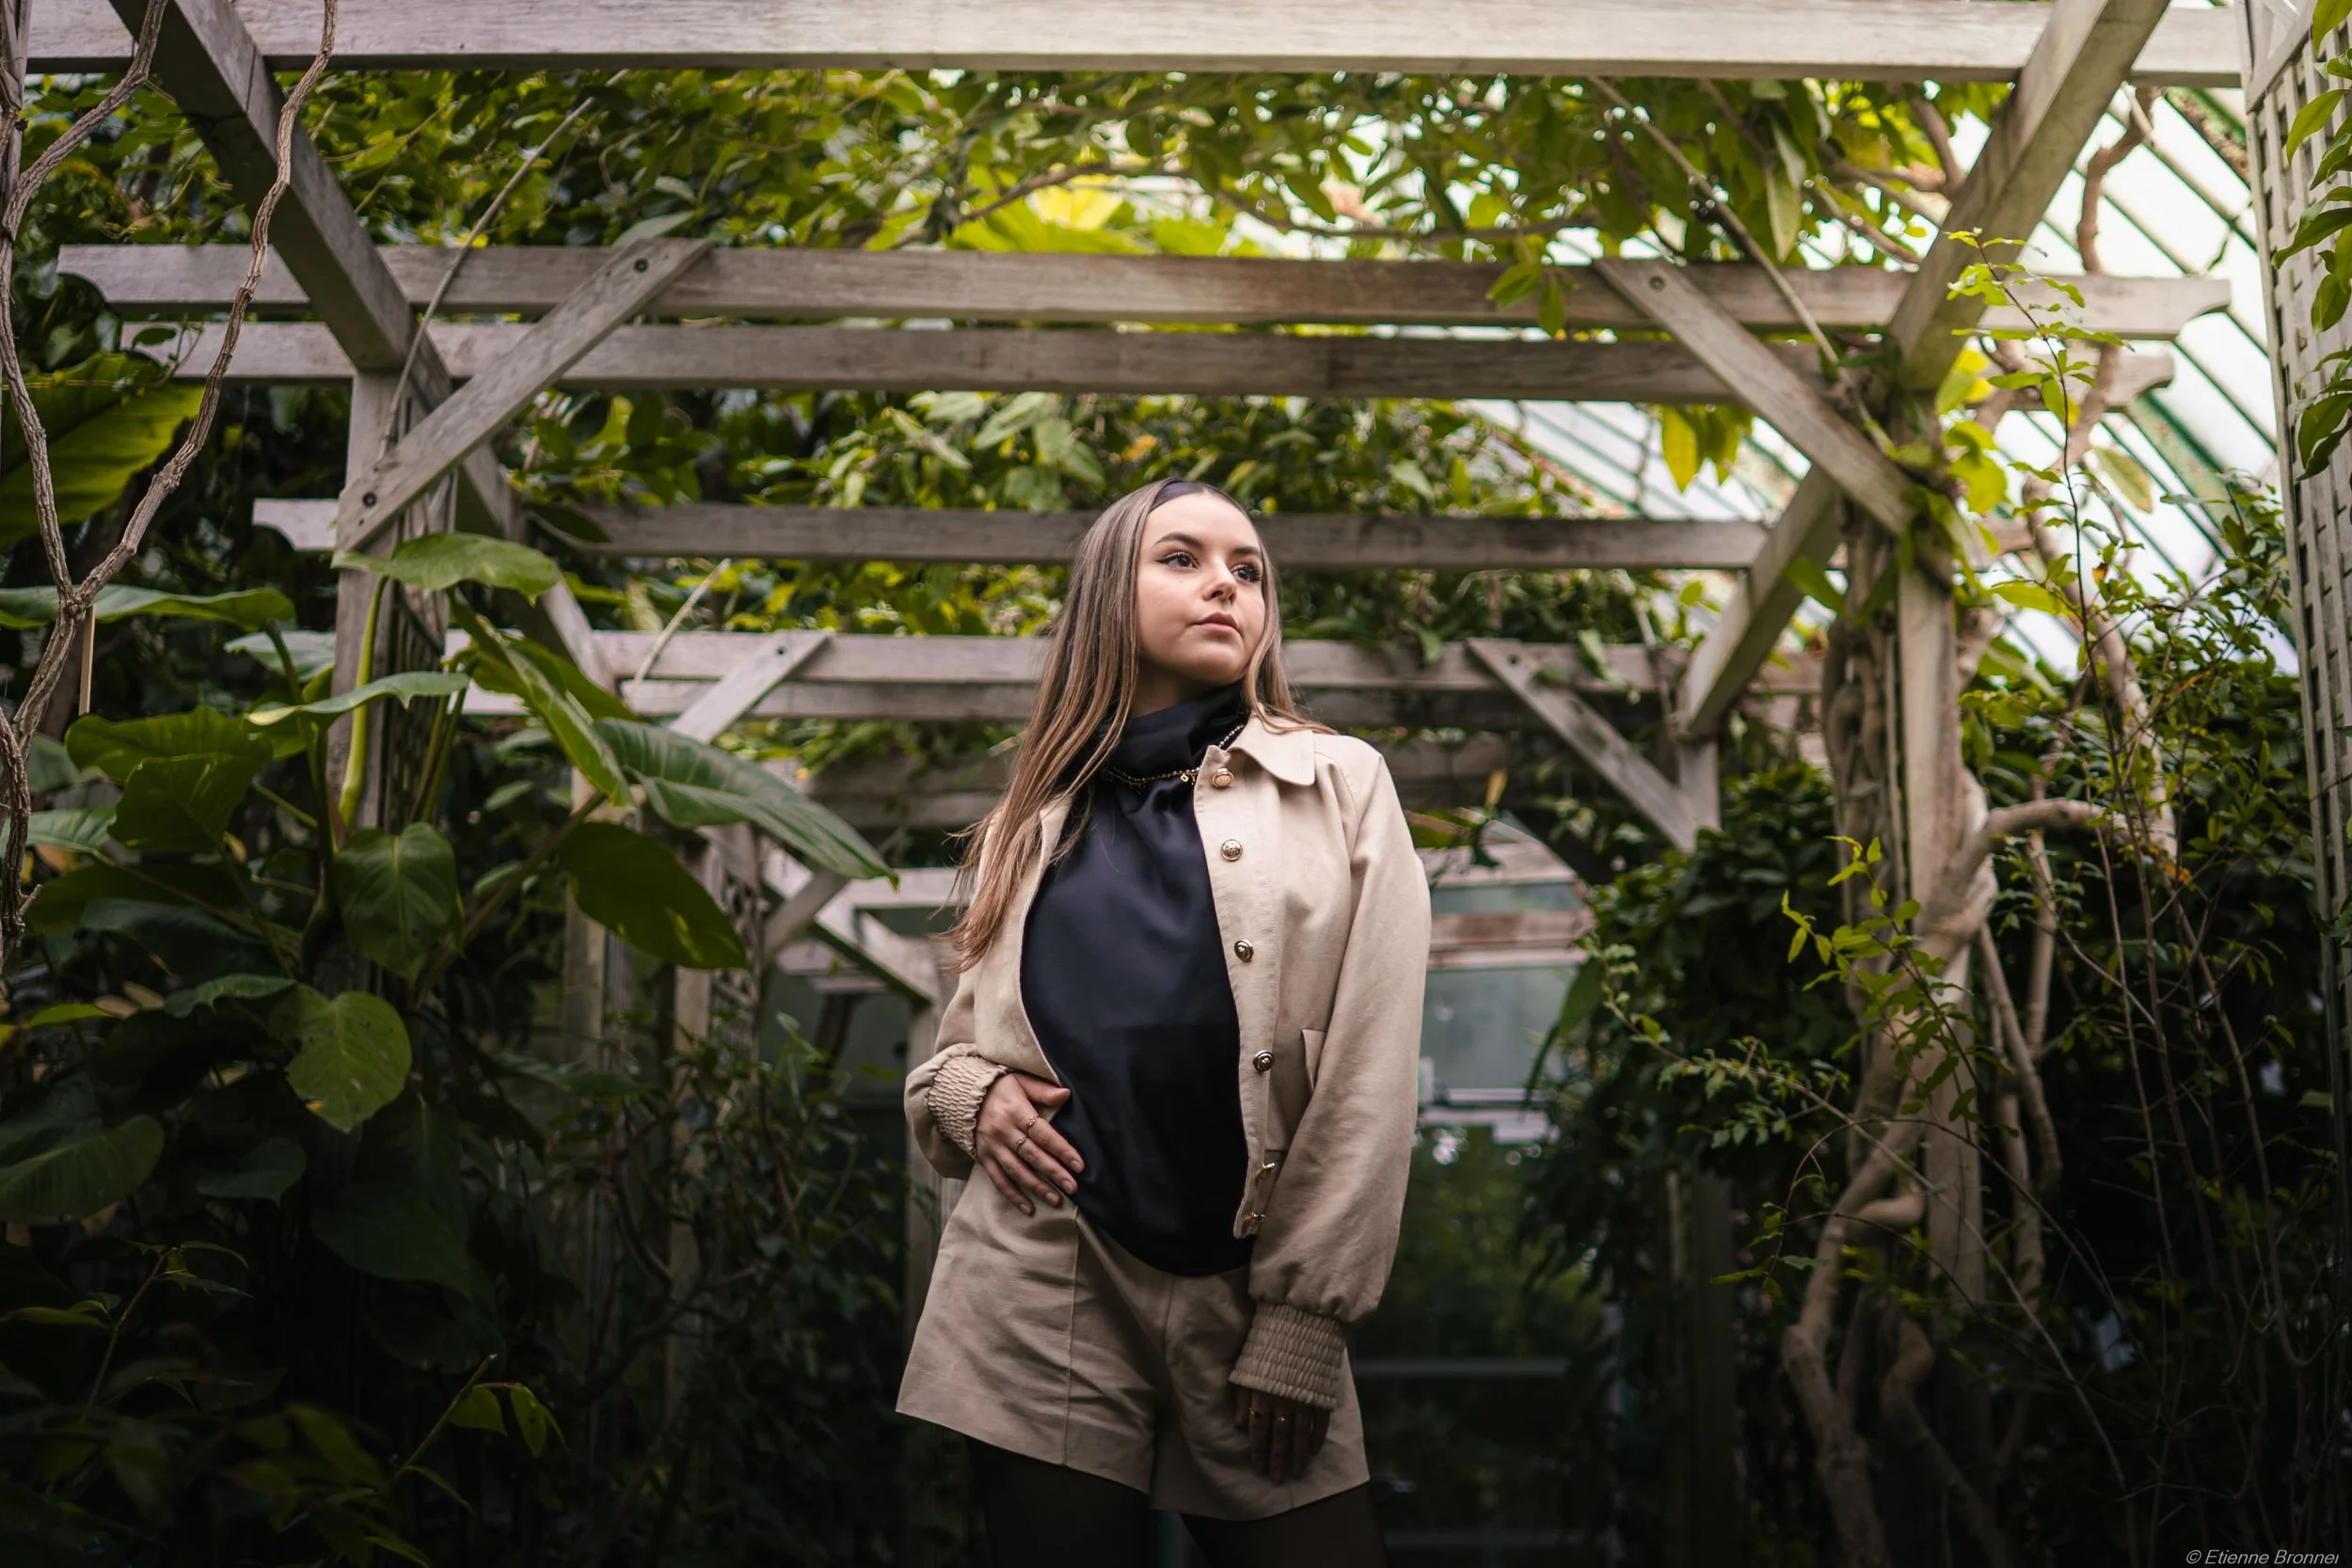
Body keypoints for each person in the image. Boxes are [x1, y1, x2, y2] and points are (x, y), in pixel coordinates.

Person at [898, 476, 1432, 1567]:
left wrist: (1305, 1315)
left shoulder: (1340, 783)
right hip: (1044, 1276)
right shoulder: (1024, 827)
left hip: (1251, 1284)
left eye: (1248, 568)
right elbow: (955, 1057)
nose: (1224, 584)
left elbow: (1372, 1066)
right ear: (1108, 593)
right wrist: (970, 1092)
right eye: (1181, 558)